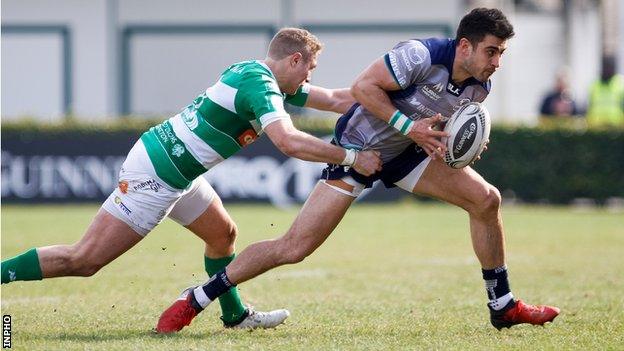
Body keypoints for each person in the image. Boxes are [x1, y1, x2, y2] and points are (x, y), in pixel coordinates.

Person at [156, 8, 560, 333]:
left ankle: (502, 305)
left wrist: (457, 142)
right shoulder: (420, 55)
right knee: (295, 247)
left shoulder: (478, 85)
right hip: (358, 148)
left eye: (502, 53)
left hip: (407, 153)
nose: (497, 62)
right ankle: (197, 298)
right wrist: (408, 128)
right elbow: (364, 88)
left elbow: (437, 123)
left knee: (486, 199)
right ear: (466, 46)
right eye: (492, 51)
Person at [0, 27, 382, 330]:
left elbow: (335, 99)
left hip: (175, 167)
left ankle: (234, 316)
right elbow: (288, 141)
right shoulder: (262, 85)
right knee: (83, 260)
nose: (309, 78)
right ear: (295, 59)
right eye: (309, 69)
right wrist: (351, 157)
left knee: (222, 235)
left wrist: (390, 97)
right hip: (157, 175)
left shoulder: (262, 77)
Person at [586, 56, 624, 127]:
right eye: (606, 67)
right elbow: (589, 106)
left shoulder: (620, 83)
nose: (607, 69)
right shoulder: (594, 85)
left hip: (616, 126)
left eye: (609, 67)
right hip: (596, 126)